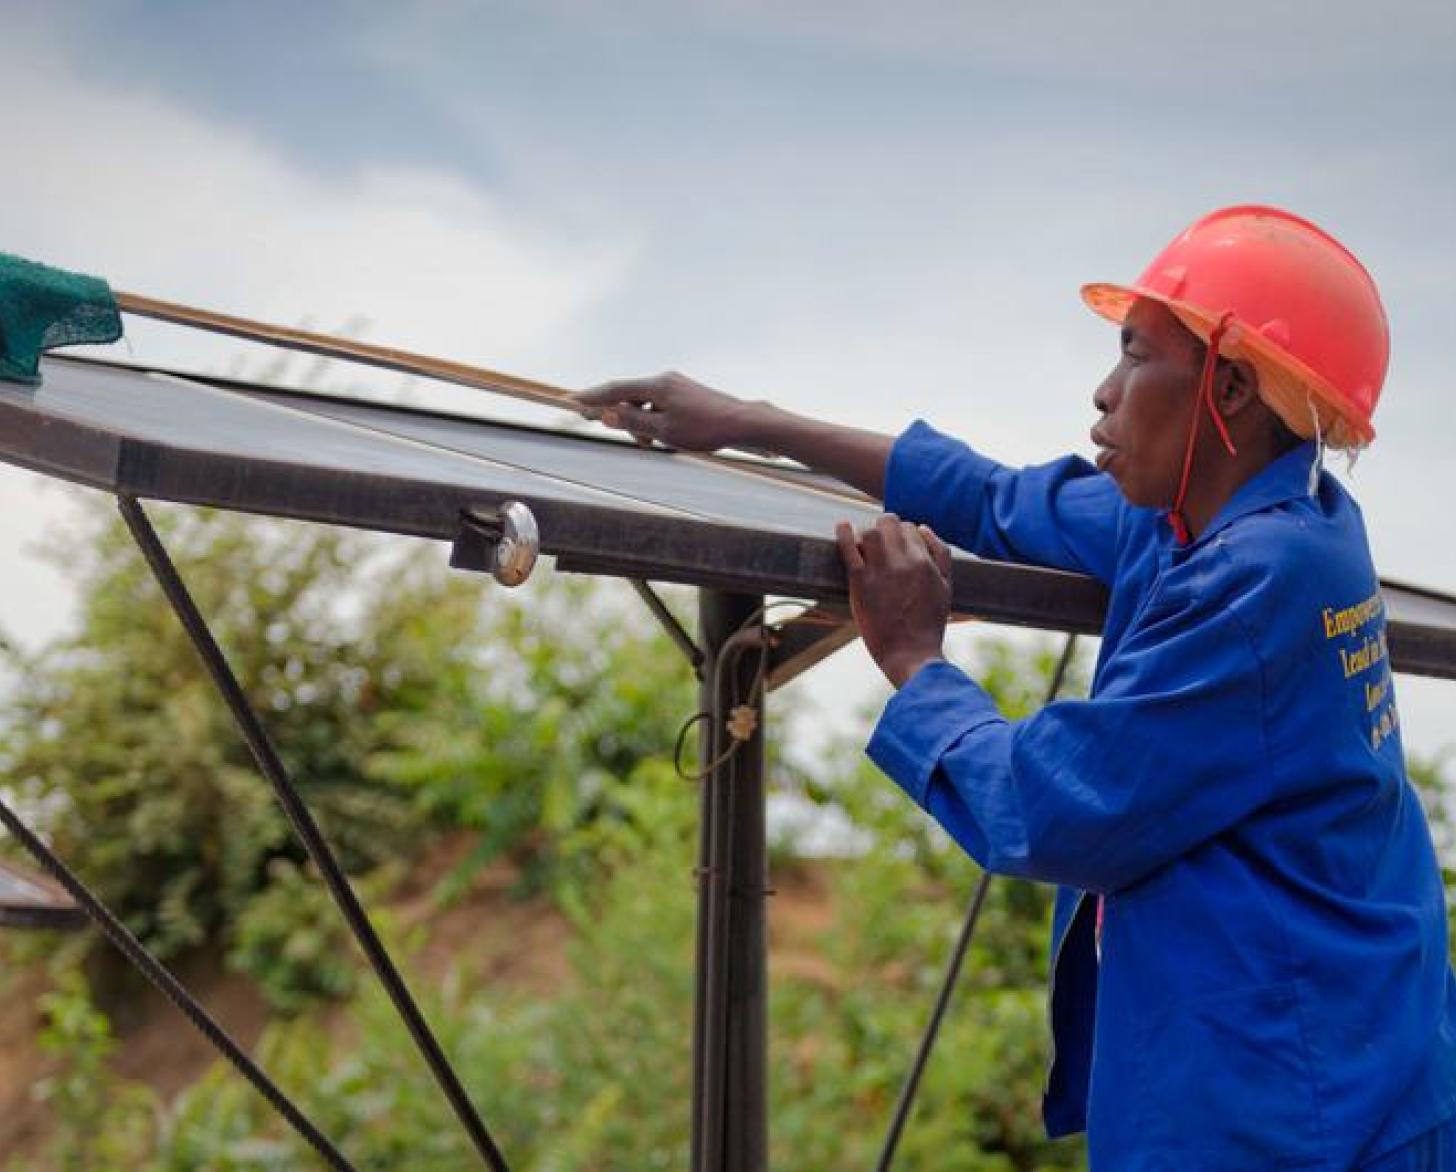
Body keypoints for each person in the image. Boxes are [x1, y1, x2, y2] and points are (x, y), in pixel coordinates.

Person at [577, 206, 1456, 1169]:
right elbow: (994, 498)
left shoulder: (1257, 583)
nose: (1103, 392)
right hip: (1348, 1053)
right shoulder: (1242, 519)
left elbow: (1048, 810)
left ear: (1230, 388)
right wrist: (751, 422)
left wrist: (915, 656)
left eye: (1135, 356)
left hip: (1292, 1110)